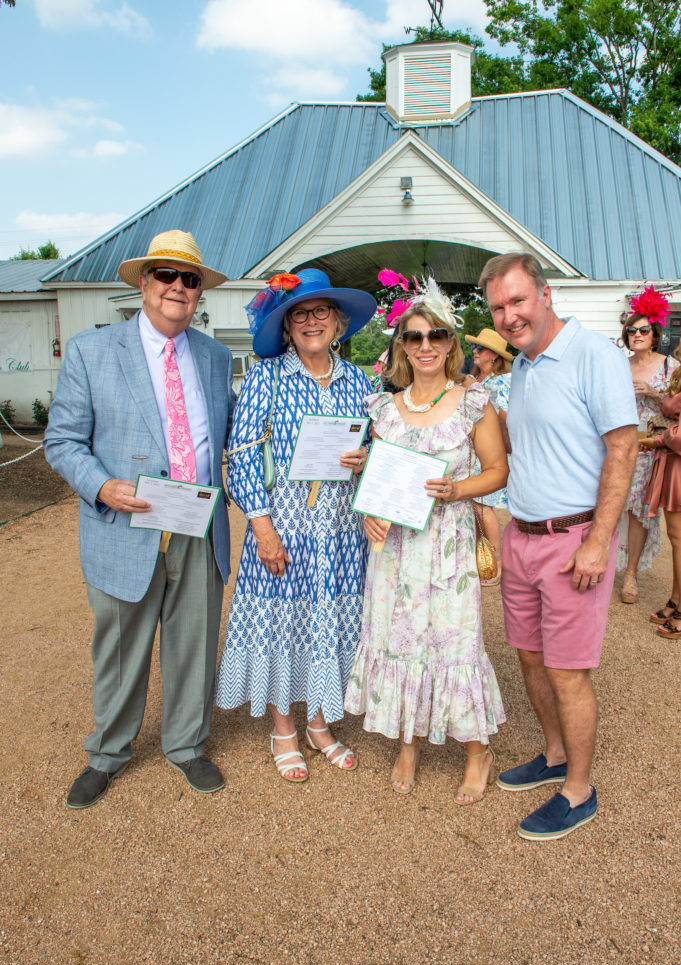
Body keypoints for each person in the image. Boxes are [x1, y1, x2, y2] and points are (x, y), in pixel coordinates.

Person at [44, 230, 235, 808]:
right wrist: (102, 485)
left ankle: (186, 745)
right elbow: (62, 441)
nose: (178, 287)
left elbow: (227, 440)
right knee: (121, 648)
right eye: (166, 275)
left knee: (194, 643)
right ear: (145, 284)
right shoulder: (91, 351)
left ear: (199, 292)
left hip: (198, 525)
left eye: (189, 279)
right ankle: (107, 753)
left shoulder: (216, 356)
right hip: (127, 524)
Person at [480, 252, 638, 841]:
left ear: (545, 295)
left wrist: (599, 543)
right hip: (522, 537)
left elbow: (622, 449)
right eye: (499, 307)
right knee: (528, 656)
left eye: (518, 301)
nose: (509, 315)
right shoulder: (522, 365)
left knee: (568, 672)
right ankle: (552, 756)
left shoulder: (593, 355)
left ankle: (578, 789)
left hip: (573, 541)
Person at [344, 281, 508, 801]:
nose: (425, 346)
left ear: (450, 343)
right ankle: (408, 744)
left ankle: (478, 751)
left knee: (457, 643)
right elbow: (375, 476)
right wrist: (369, 509)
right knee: (400, 640)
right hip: (394, 552)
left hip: (449, 545)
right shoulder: (384, 410)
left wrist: (456, 489)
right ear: (400, 347)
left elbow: (499, 470)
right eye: (413, 338)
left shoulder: (472, 402)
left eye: (436, 335)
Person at [216, 269, 376, 782]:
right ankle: (284, 727)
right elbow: (240, 458)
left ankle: (321, 723)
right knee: (284, 622)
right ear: (286, 327)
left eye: (321, 312)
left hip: (343, 529)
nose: (311, 321)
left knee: (333, 621)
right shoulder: (267, 377)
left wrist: (367, 457)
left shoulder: (359, 381)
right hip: (282, 523)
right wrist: (262, 529)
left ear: (339, 322)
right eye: (299, 314)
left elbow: (378, 449)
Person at [616, 289, 678, 603]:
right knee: (610, 501)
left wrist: (653, 393)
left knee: (639, 509)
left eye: (643, 330)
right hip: (617, 445)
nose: (637, 335)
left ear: (654, 334)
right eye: (631, 330)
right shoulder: (617, 364)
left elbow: (678, 408)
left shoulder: (670, 367)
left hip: (650, 448)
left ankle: (630, 574)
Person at [468, 328, 515, 585]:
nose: (475, 351)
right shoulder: (477, 380)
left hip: (491, 451)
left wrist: (489, 406)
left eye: (481, 348)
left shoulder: (502, 382)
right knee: (476, 505)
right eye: (475, 347)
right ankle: (483, 558)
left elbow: (509, 418)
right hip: (474, 450)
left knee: (482, 505)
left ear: (495, 356)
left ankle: (495, 564)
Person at [640, 361, 681, 637]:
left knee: (680, 539)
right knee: (676, 537)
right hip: (672, 462)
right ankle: (676, 599)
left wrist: (657, 440)